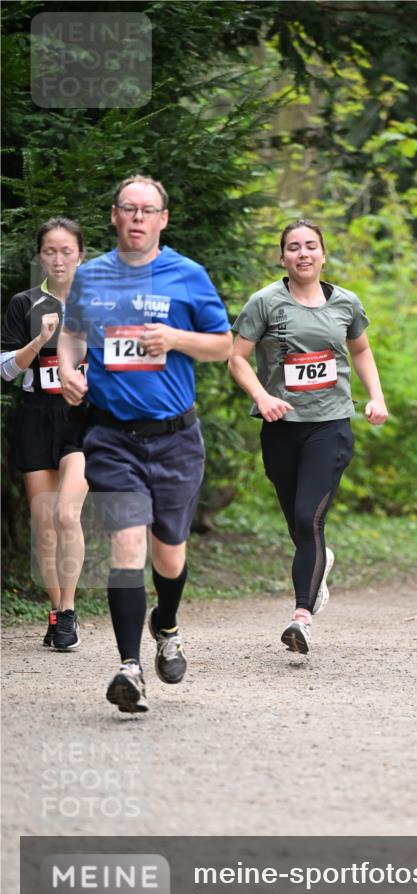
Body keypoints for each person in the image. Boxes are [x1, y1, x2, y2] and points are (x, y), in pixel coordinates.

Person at [58, 175, 231, 713]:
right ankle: (129, 667)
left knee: (169, 554)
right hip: (112, 437)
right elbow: (72, 333)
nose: (137, 218)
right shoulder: (92, 276)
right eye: (128, 209)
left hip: (176, 438)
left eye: (147, 210)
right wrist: (67, 369)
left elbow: (224, 345)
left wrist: (175, 338)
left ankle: (167, 624)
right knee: (127, 545)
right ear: (114, 216)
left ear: (163, 219)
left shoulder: (187, 275)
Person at [229, 219, 388, 654]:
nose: (303, 254)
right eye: (294, 247)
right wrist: (262, 397)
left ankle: (301, 617)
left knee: (308, 520)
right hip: (281, 427)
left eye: (311, 246)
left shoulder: (346, 303)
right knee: (298, 527)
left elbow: (361, 349)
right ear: (283, 257)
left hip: (330, 425)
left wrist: (376, 397)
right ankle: (320, 563)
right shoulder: (264, 302)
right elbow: (237, 358)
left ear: (323, 254)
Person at [1, 218, 88, 651]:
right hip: (36, 416)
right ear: (40, 256)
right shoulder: (24, 303)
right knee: (45, 524)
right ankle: (56, 612)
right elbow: (4, 370)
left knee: (67, 514)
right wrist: (39, 341)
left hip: (83, 419)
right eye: (50, 251)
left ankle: (68, 612)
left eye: (66, 251)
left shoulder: (99, 304)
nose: (58, 259)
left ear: (80, 256)